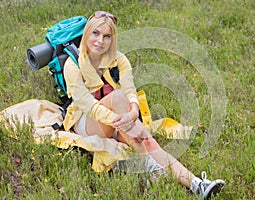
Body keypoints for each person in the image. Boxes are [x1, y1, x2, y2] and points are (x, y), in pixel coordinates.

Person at [63, 11, 225, 199]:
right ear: (87, 33)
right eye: (96, 33)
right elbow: (88, 105)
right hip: (87, 122)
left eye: (107, 36)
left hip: (120, 116)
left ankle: (197, 184)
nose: (100, 41)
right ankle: (156, 175)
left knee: (146, 140)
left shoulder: (119, 59)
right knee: (119, 100)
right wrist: (124, 120)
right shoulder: (72, 64)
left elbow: (130, 89)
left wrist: (132, 112)